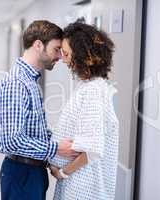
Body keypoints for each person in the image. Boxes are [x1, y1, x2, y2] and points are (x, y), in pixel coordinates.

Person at [0, 20, 78, 200]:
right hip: (21, 174)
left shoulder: (30, 81)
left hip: (32, 172)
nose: (60, 57)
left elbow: (34, 130)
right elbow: (11, 141)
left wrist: (55, 149)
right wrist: (55, 148)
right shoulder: (17, 83)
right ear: (38, 45)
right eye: (56, 49)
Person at [49, 19, 119, 200]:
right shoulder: (89, 86)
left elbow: (91, 150)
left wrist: (62, 172)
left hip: (83, 187)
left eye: (65, 53)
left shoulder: (93, 91)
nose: (62, 59)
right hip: (77, 184)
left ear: (80, 54)